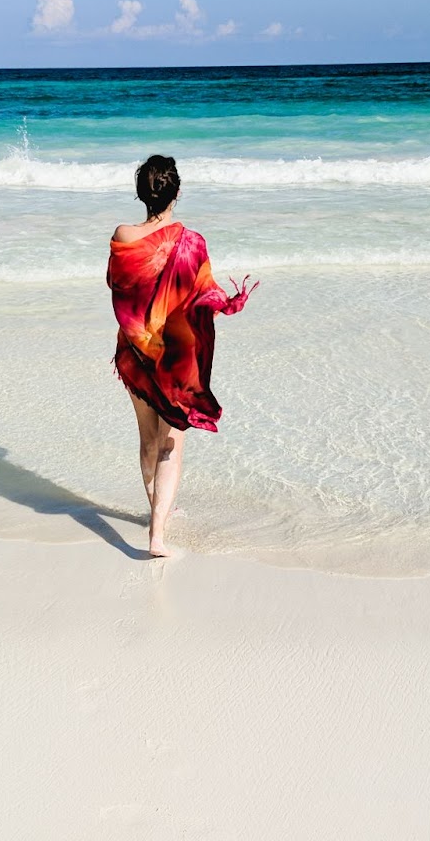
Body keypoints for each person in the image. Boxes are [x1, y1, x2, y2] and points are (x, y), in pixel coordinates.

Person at [107, 154, 257, 557]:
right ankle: (157, 536)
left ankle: (157, 513)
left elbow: (117, 286)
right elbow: (202, 295)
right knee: (170, 442)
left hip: (135, 352)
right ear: (176, 192)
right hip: (173, 360)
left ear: (142, 193)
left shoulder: (122, 235)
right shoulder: (191, 241)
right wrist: (227, 302)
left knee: (147, 439)